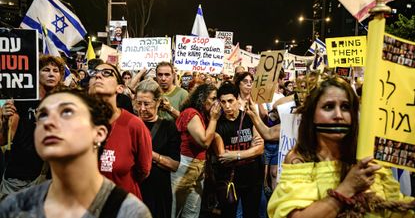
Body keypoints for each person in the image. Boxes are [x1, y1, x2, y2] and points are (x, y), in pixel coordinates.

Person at [267, 76, 415, 218]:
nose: (339, 115)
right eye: (328, 107)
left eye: (345, 107)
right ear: (312, 115)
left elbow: (394, 208)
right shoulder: (299, 161)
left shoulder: (369, 161)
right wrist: (348, 187)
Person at [0, 88, 152, 217]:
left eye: (67, 112)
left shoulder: (128, 212)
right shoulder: (15, 208)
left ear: (99, 133)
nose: (50, 122)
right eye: (42, 115)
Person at [0, 55, 64, 198]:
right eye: (46, 70)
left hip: (50, 180)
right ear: (36, 73)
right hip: (18, 179)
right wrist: (4, 119)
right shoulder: (22, 100)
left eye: (55, 70)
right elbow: (3, 140)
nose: (51, 74)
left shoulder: (64, 102)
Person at [88, 62, 152, 200]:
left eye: (107, 73)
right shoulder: (77, 123)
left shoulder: (134, 125)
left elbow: (143, 171)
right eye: (94, 73)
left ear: (120, 88)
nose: (98, 75)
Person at [212, 82, 265, 218]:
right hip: (229, 180)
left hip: (253, 178)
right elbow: (223, 156)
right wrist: (249, 153)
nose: (227, 106)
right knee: (228, 214)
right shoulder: (217, 124)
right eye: (223, 102)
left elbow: (259, 149)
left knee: (251, 214)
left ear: (237, 100)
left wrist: (236, 155)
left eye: (230, 101)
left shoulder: (249, 117)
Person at [171, 84, 221, 218]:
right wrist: (214, 119)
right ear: (202, 98)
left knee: (191, 212)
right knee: (174, 210)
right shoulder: (191, 113)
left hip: (198, 167)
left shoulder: (203, 115)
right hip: (185, 165)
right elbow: (204, 142)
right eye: (212, 98)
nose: (216, 103)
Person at [136, 79, 181, 218]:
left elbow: (174, 165)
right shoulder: (131, 124)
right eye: (138, 103)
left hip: (158, 191)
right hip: (135, 190)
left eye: (147, 104)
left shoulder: (168, 126)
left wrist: (150, 154)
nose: (142, 108)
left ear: (157, 102)